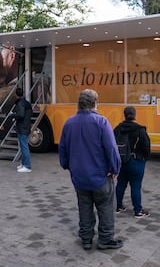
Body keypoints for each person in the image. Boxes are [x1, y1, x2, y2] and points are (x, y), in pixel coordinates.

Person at [59, 89, 123, 251]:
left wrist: (68, 165)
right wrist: (115, 167)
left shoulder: (69, 123)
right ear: (95, 103)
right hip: (101, 176)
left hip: (79, 177)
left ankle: (86, 239)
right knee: (105, 207)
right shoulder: (101, 122)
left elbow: (63, 150)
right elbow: (111, 148)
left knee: (84, 207)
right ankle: (105, 239)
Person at [114, 106, 151, 218]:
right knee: (135, 186)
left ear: (124, 115)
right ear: (135, 115)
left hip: (121, 161)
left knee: (120, 184)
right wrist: (145, 158)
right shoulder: (140, 129)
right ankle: (138, 211)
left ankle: (119, 206)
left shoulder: (118, 128)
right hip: (136, 161)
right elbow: (146, 147)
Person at [14, 88, 33, 173]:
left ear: (16, 95)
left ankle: (27, 166)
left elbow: (20, 115)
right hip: (26, 126)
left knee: (24, 147)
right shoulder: (27, 103)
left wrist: (14, 116)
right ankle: (23, 164)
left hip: (22, 127)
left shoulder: (20, 104)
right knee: (23, 146)